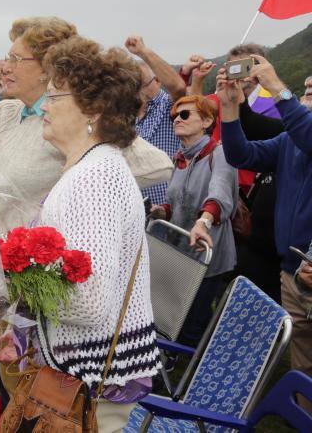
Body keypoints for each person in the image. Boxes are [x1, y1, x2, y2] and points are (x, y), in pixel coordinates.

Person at [0, 36, 161, 431]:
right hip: (84, 372)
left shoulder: (93, 180)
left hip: (88, 383)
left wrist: (2, 272)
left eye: (55, 96)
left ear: (94, 109)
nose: (45, 106)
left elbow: (87, 304)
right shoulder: (93, 166)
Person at [0, 18, 173, 235]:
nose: (3, 66)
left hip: (41, 269)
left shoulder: (73, 121)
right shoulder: (11, 111)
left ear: (46, 68)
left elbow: (157, 167)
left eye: (15, 59)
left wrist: (65, 193)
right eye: (7, 57)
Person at [218, 58, 312, 394]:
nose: (307, 90)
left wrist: (276, 87)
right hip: (292, 272)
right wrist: (229, 110)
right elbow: (240, 154)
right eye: (305, 89)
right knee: (303, 363)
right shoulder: (289, 141)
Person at [149, 95, 238, 346]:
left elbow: (219, 195)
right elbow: (174, 203)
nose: (177, 119)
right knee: (183, 313)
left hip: (207, 252)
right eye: (175, 115)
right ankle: (201, 351)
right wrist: (159, 211)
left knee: (195, 318)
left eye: (185, 114)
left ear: (207, 121)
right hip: (180, 252)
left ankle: (201, 367)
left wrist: (204, 221)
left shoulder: (220, 153)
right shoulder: (180, 158)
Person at [125, 35, 189, 205]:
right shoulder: (126, 115)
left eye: (144, 84)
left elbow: (178, 86)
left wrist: (143, 52)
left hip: (171, 207)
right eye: (134, 87)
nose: (139, 92)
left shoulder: (168, 104)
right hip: (139, 209)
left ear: (158, 81)